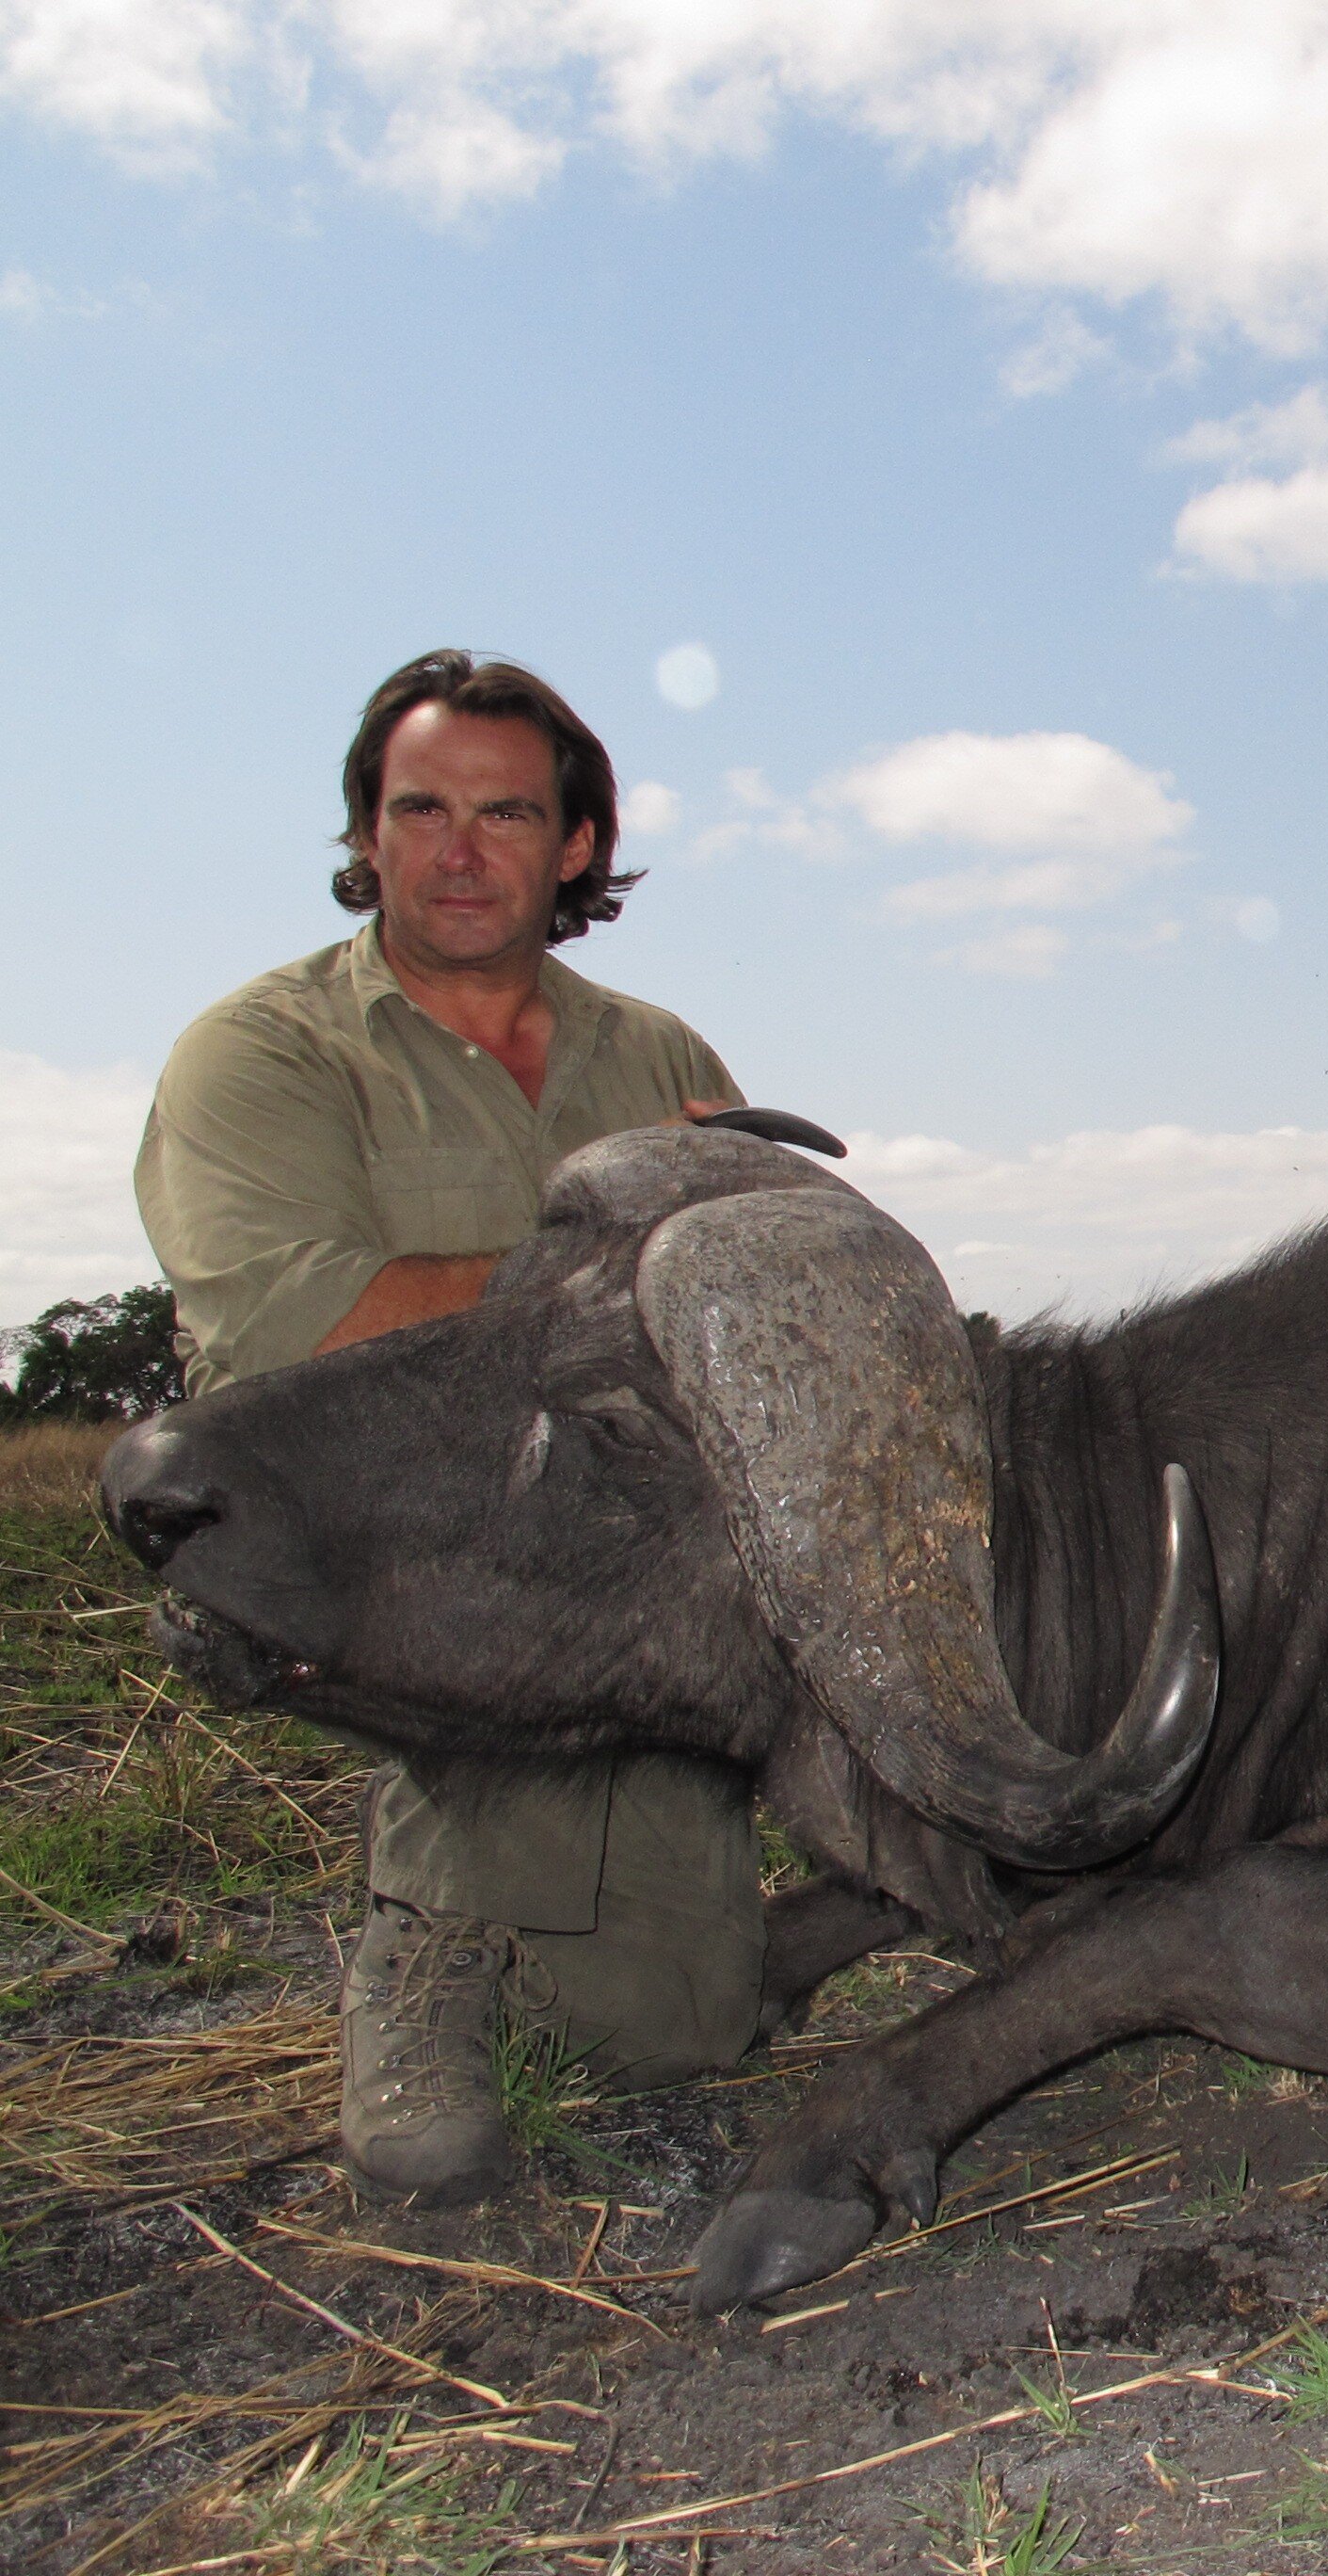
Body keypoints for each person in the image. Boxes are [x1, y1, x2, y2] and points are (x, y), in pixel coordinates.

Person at [135, 650, 767, 2203]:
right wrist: (631, 1266)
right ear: (367, 833)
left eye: (505, 813)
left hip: (606, 1537)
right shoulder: (265, 1051)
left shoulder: (663, 1056)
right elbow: (300, 1327)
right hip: (362, 1530)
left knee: (684, 2032)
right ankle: (420, 1952)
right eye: (421, 809)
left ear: (572, 848)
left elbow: (748, 1304)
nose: (460, 848)